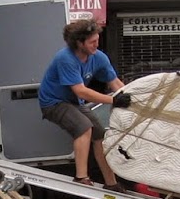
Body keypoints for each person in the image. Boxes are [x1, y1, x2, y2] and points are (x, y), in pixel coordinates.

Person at [38, 18, 132, 188]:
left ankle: (111, 183)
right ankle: (81, 177)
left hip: (74, 103)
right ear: (79, 43)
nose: (96, 45)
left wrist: (132, 100)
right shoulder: (65, 58)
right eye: (92, 42)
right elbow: (80, 91)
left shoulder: (98, 57)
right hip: (54, 103)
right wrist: (113, 100)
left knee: (101, 135)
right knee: (83, 127)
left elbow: (116, 84)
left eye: (97, 40)